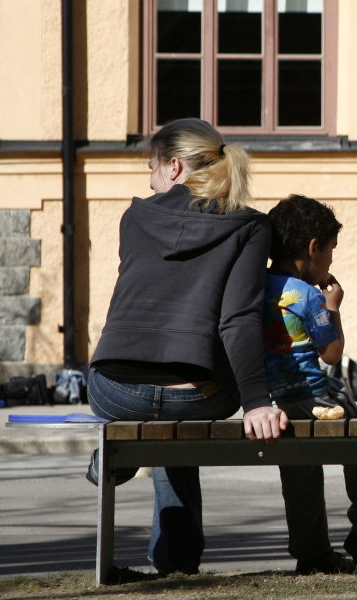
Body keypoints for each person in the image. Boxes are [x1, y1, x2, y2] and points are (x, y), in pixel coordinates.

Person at [86, 117, 287, 576]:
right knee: (179, 414)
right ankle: (176, 560)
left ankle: (117, 459)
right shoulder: (249, 226)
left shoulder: (135, 216)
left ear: (174, 167)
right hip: (197, 396)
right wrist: (257, 402)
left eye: (152, 168)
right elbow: (238, 319)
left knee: (159, 426)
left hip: (113, 389)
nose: (150, 181)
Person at [262, 195, 357, 574]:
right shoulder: (308, 295)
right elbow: (331, 354)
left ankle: (311, 552)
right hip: (316, 398)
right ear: (313, 247)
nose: (331, 262)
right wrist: (333, 305)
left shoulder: (255, 287)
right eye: (331, 251)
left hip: (274, 403)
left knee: (299, 474)